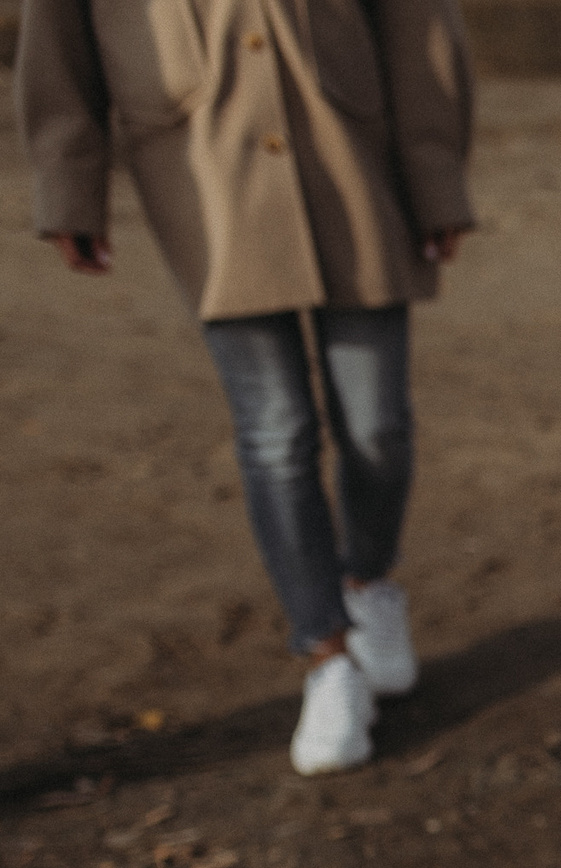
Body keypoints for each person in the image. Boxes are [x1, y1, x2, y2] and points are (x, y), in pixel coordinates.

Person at [17, 0, 476, 775]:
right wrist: (69, 189)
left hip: (351, 161)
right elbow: (58, 47)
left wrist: (436, 179)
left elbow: (414, 25)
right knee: (275, 431)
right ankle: (327, 657)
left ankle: (368, 580)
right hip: (205, 174)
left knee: (377, 426)